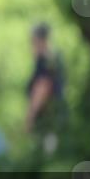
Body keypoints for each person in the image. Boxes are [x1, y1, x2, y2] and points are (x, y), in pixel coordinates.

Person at [24, 22, 68, 155]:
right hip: (54, 118)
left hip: (49, 119)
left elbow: (42, 89)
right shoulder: (52, 59)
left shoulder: (45, 60)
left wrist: (30, 117)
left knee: (50, 158)